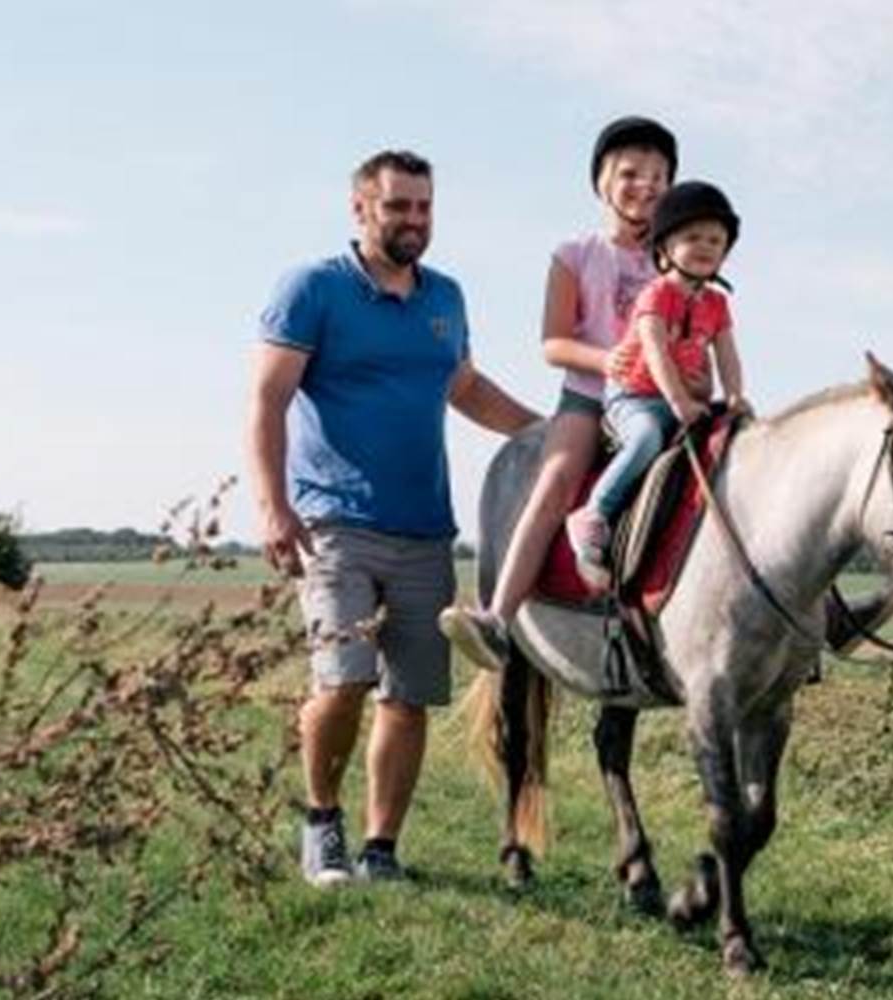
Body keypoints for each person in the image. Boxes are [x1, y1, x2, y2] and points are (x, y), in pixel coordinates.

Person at [247, 149, 538, 886]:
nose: (414, 220)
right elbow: (267, 401)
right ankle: (322, 823)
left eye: (424, 207)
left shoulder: (445, 297)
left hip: (425, 528)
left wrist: (547, 433)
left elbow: (465, 388)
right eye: (397, 206)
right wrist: (272, 505)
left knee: (407, 698)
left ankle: (381, 849)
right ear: (360, 209)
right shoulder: (312, 288)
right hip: (333, 523)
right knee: (342, 680)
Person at [438, 116, 686, 667]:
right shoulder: (575, 254)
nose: (645, 185)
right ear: (601, 181)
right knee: (553, 483)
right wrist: (610, 360)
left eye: (658, 175)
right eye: (630, 173)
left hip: (662, 399)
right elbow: (553, 342)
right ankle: (498, 618)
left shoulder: (676, 259)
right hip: (589, 398)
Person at [564, 179, 749, 591]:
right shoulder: (657, 294)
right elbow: (655, 353)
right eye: (692, 237)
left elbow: (728, 353)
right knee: (647, 438)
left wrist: (735, 394)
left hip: (680, 396)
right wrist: (680, 401)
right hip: (634, 395)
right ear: (664, 248)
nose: (705, 246)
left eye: (716, 240)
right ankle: (594, 513)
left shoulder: (717, 303)